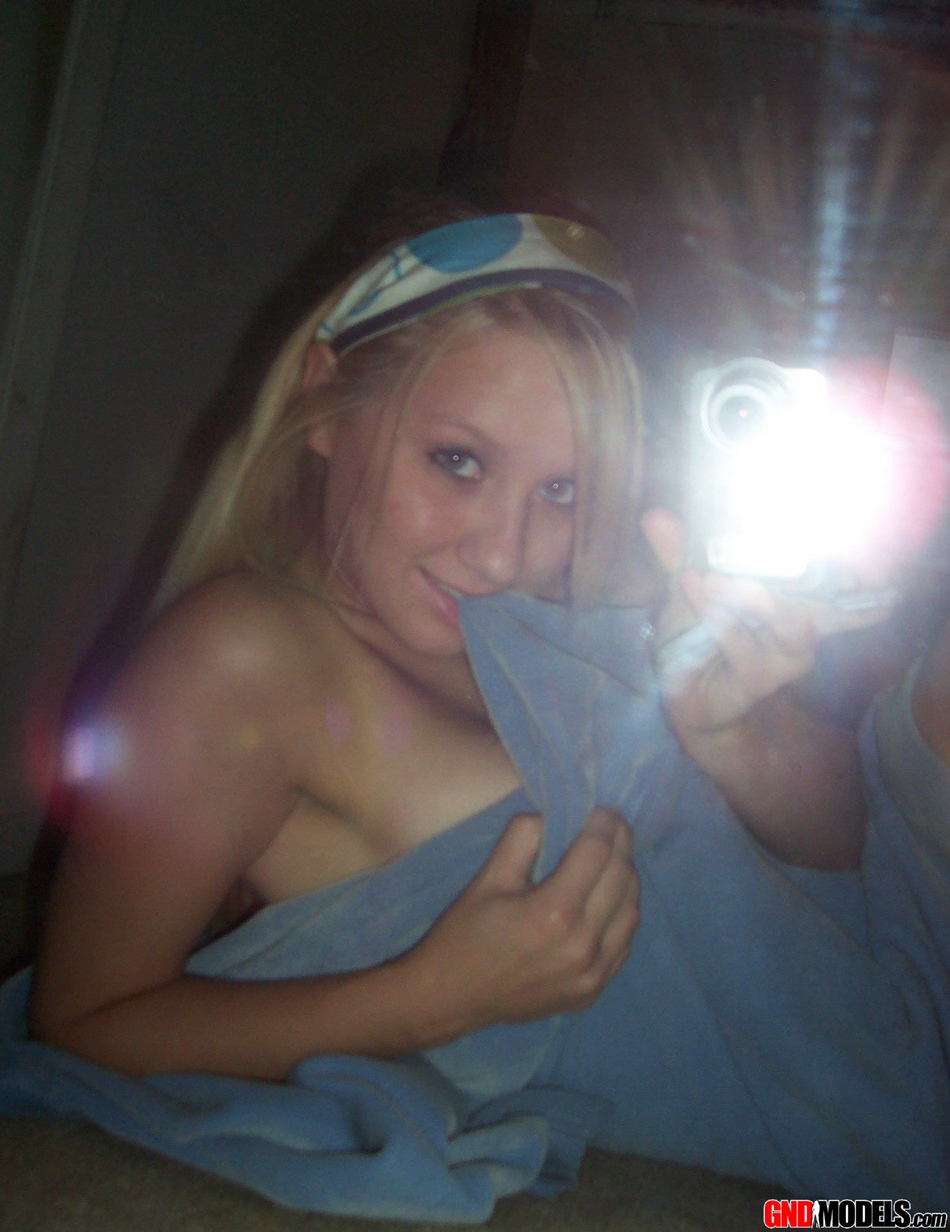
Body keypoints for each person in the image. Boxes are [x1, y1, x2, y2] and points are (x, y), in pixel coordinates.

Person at [1, 207, 948, 1219]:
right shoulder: (242, 655)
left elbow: (845, 844)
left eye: (562, 489)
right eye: (457, 461)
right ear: (323, 402)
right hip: (880, 1125)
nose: (503, 552)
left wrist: (736, 733)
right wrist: (426, 1000)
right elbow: (80, 1021)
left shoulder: (575, 602)